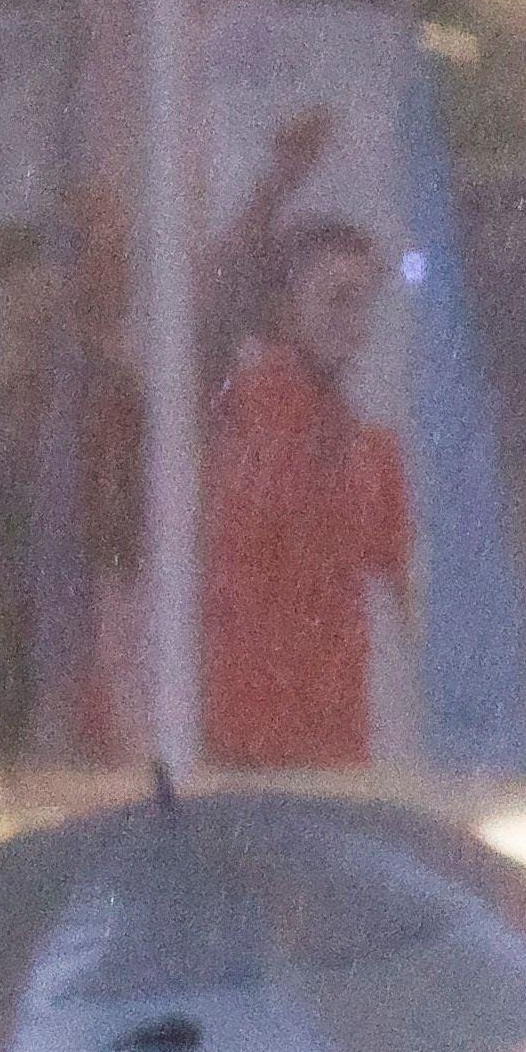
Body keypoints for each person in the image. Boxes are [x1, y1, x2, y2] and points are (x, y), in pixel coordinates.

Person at [201, 200, 413, 770]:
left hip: (330, 747)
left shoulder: (365, 447)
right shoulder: (246, 415)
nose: (353, 320)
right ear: (285, 309)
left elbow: (407, 592)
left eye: (362, 302)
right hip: (252, 747)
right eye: (336, 298)